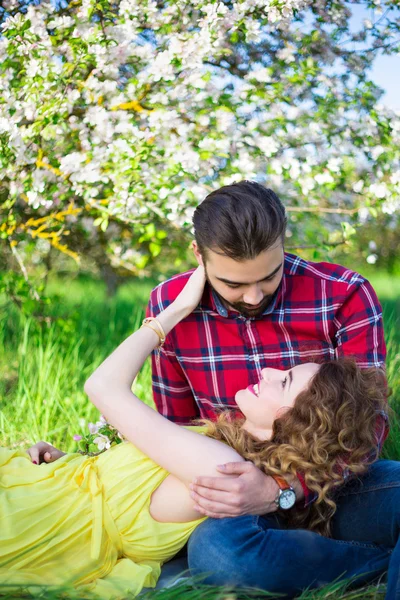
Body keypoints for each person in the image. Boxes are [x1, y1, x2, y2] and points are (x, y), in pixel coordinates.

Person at [1, 267, 393, 600]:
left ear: (297, 425)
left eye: (285, 381)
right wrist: (67, 464)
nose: (271, 371)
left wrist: (174, 312)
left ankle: (378, 566)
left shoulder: (219, 464)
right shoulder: (212, 441)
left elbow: (102, 387)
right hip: (41, 490)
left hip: (43, 522)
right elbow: (122, 481)